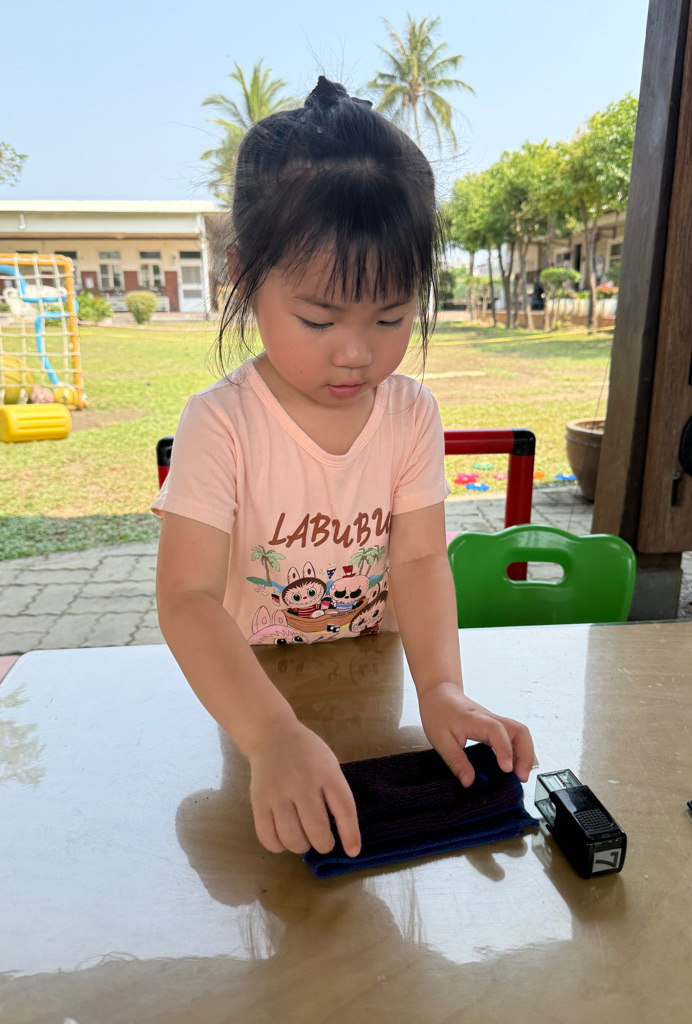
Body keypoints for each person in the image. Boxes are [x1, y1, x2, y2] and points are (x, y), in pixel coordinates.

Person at [153, 75, 535, 865]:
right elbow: (187, 598)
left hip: (373, 690)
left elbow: (419, 561)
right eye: (318, 319)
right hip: (258, 703)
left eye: (391, 317)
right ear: (242, 275)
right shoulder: (221, 424)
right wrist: (269, 734)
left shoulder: (410, 415)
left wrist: (441, 688)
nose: (357, 352)